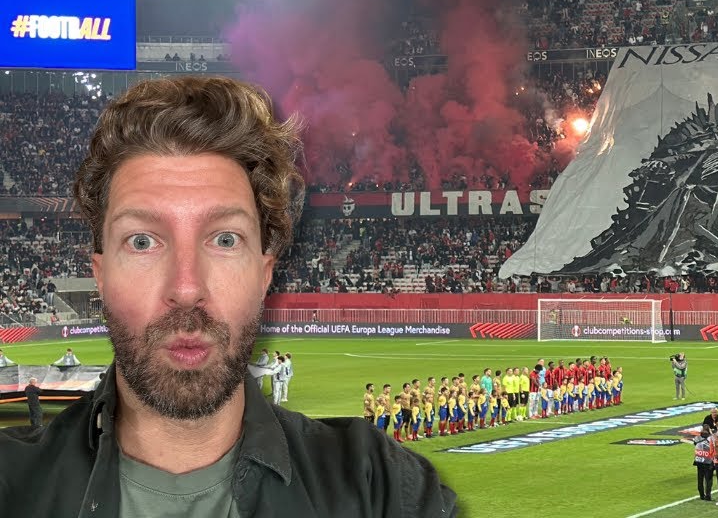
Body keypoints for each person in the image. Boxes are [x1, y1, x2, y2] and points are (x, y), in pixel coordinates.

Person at [0, 76, 456, 515]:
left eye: (224, 239)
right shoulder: (10, 483)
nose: (186, 289)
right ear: (100, 276)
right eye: (142, 241)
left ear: (264, 273)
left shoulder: (377, 486)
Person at [694, 426, 714, 501]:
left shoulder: (697, 438)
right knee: (708, 479)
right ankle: (708, 495)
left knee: (700, 478)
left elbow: (695, 443)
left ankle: (701, 495)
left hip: (699, 460)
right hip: (708, 461)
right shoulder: (711, 438)